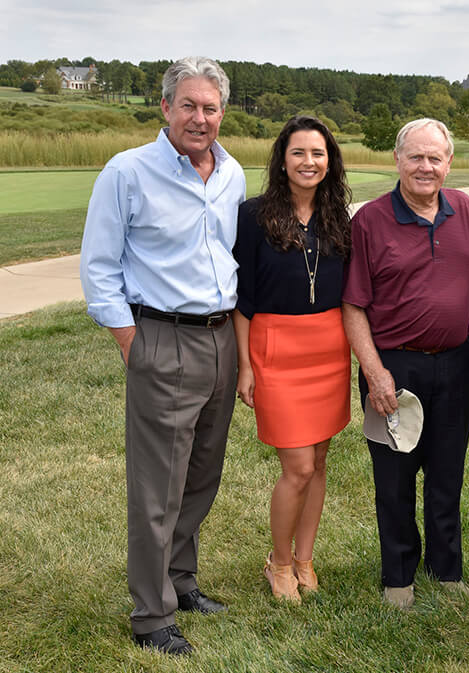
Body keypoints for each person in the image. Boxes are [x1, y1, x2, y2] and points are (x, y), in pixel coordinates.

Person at [80, 57, 244, 655]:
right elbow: (99, 269)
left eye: (210, 107)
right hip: (161, 338)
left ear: (222, 112)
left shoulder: (232, 175)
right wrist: (134, 345)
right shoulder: (128, 172)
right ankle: (152, 616)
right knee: (158, 486)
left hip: (221, 338)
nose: (200, 118)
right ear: (166, 107)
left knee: (201, 474)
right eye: (189, 106)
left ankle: (181, 582)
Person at [342, 118, 469, 609]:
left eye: (435, 158)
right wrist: (374, 372)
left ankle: (446, 570)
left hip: (456, 363)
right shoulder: (370, 220)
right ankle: (399, 576)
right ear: (397, 161)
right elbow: (353, 305)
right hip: (395, 369)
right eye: (416, 157)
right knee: (396, 477)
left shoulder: (467, 211)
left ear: (448, 163)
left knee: (447, 474)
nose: (426, 167)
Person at [232, 116, 352, 603]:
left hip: (329, 349)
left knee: (319, 460)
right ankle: (278, 563)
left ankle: (305, 557)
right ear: (283, 159)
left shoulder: (339, 217)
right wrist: (245, 365)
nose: (309, 162)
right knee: (298, 467)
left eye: (318, 153)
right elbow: (242, 299)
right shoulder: (254, 215)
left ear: (330, 161)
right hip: (275, 348)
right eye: (299, 152)